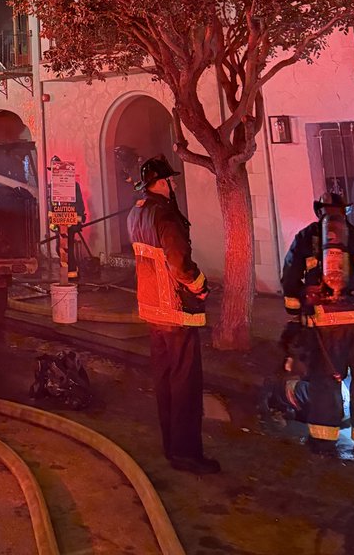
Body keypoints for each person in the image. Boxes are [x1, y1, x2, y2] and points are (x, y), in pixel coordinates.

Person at [281, 191, 354, 460]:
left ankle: (323, 445)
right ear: (346, 211)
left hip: (324, 326)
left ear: (319, 211)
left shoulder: (306, 239)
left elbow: (290, 278)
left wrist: (296, 312)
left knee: (324, 382)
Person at [127, 155, 219, 474]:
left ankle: (171, 446)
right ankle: (187, 454)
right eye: (171, 180)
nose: (175, 184)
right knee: (185, 385)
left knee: (165, 381)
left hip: (153, 310)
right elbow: (180, 263)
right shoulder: (165, 215)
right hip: (176, 312)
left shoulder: (136, 213)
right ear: (161, 183)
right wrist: (200, 285)